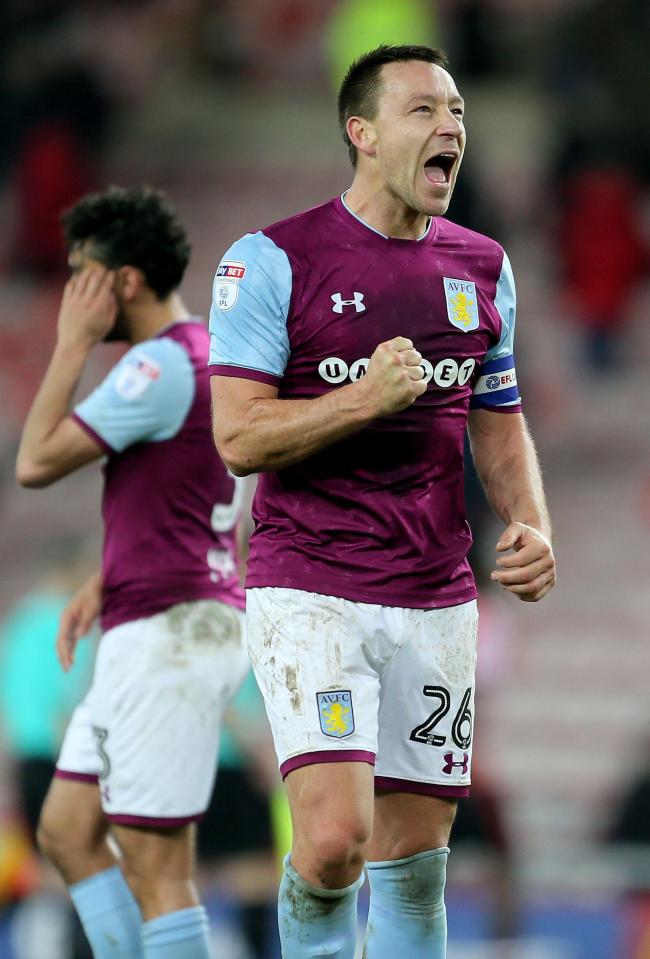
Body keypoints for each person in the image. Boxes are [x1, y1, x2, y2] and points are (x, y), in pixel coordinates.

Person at [208, 44, 556, 959]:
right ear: (361, 134)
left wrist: (529, 521)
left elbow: (499, 416)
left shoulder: (485, 267)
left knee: (416, 862)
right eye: (424, 111)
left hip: (436, 595)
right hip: (310, 584)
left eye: (459, 113)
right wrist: (361, 398)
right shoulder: (271, 260)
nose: (451, 128)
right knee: (331, 844)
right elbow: (238, 436)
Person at [15, 185, 249, 959]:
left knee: (156, 865)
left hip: (173, 632)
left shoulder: (160, 366)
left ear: (125, 281)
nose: (74, 291)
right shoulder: (209, 357)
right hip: (157, 611)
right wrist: (106, 575)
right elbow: (192, 496)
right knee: (68, 830)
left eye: (84, 275)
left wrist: (71, 343)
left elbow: (37, 460)